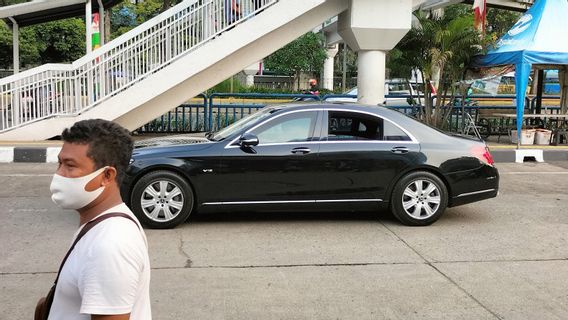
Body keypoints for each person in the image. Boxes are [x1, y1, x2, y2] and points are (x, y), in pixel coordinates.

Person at [47, 119, 151, 320]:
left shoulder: (111, 244)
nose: (59, 174)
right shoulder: (99, 225)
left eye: (70, 166)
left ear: (107, 176)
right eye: (59, 163)